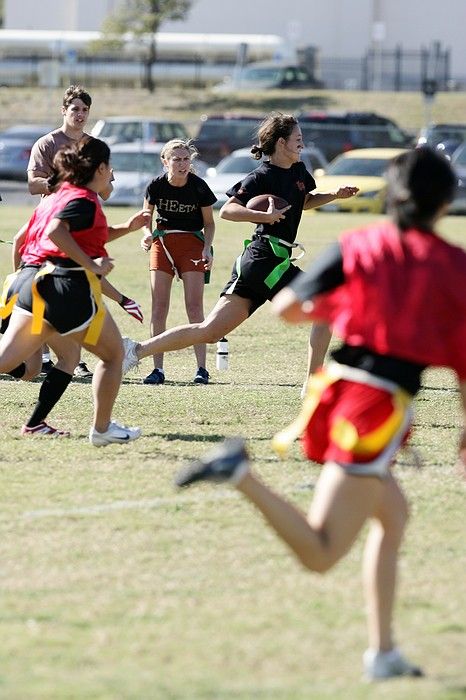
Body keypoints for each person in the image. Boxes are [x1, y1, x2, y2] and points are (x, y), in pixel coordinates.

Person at [174, 148, 466, 680]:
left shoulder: (358, 244)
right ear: (444, 203)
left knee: (393, 517)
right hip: (373, 411)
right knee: (322, 552)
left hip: (337, 394)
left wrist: (355, 306)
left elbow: (289, 309)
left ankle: (383, 653)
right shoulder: (452, 265)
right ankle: (239, 474)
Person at [122, 113, 357, 374]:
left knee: (210, 331)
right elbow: (228, 211)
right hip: (262, 259)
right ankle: (314, 382)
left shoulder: (299, 171)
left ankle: (135, 350)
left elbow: (302, 202)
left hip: (273, 260)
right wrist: (263, 216)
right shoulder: (260, 177)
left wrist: (333, 196)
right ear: (281, 143)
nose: (302, 144)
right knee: (325, 306)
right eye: (298, 139)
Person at [0, 136, 150, 444]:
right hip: (62, 287)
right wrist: (92, 266)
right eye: (111, 168)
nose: (112, 175)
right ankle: (103, 428)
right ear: (101, 168)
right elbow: (58, 233)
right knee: (113, 355)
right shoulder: (83, 198)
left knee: (25, 359)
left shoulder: (59, 194)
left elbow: (81, 234)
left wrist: (127, 228)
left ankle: (37, 423)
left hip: (29, 282)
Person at [27, 84, 112, 378]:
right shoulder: (47, 143)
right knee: (50, 291)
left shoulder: (93, 145)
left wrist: (104, 179)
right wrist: (64, 181)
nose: (80, 114)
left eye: (85, 109)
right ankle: (50, 355)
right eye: (75, 109)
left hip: (85, 226)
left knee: (83, 290)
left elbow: (107, 192)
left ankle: (76, 356)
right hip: (53, 224)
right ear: (64, 110)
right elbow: (33, 184)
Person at [139, 138, 216, 385]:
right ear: (165, 161)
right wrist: (146, 235)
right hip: (163, 245)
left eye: (186, 159)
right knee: (159, 307)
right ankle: (157, 369)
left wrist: (207, 249)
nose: (182, 164)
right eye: (176, 159)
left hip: (192, 245)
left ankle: (201, 369)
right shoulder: (156, 186)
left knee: (194, 307)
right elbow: (145, 218)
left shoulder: (199, 186)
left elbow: (209, 223)